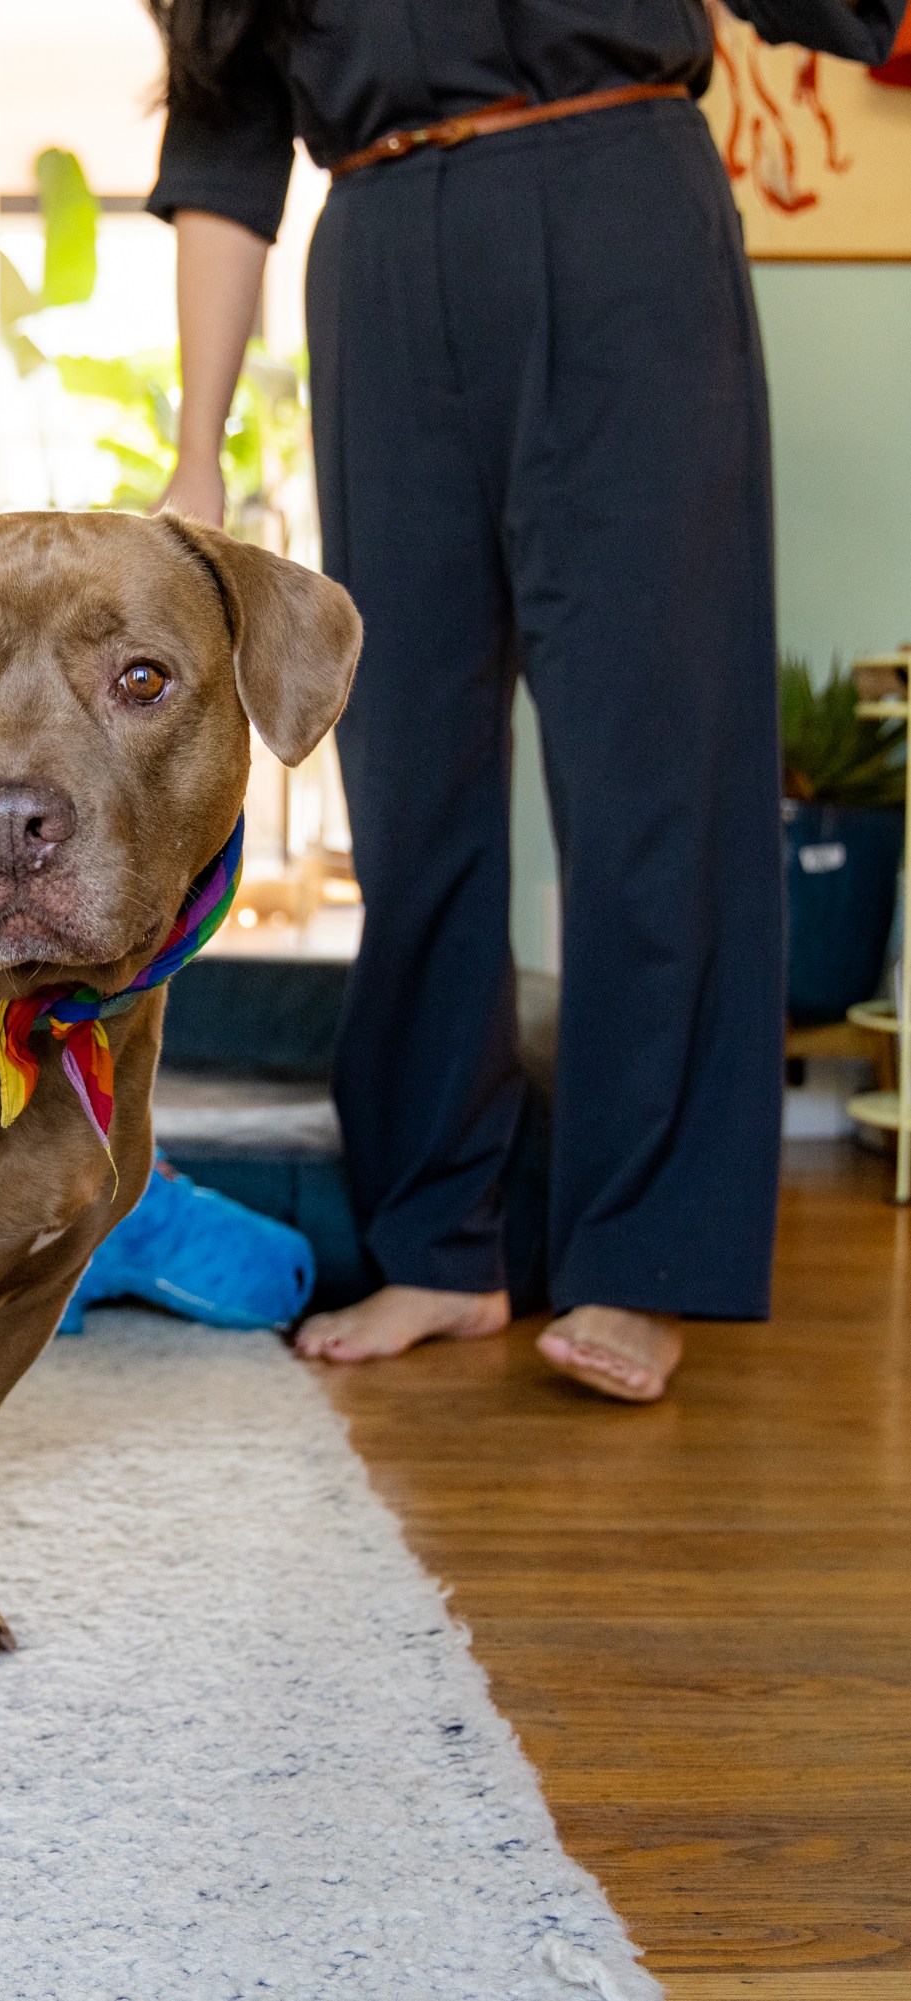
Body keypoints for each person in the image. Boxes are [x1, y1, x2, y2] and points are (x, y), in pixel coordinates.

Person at [142, 0, 906, 1400]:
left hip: (619, 214)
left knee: (652, 771)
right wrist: (195, 451)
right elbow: (224, 147)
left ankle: (644, 1256)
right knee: (405, 777)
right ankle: (441, 1241)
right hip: (374, 253)